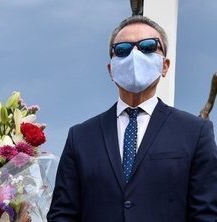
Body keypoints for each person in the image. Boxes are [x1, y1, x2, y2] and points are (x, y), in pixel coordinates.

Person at [47, 16, 217, 221]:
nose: (134, 55)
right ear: (111, 69)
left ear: (165, 65)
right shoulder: (80, 137)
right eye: (123, 49)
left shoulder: (195, 132)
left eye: (147, 47)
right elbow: (62, 214)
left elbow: (206, 215)